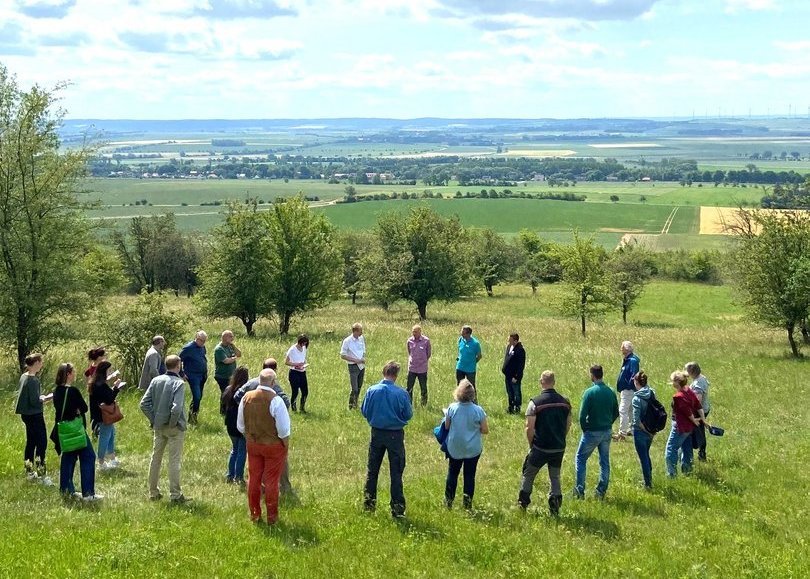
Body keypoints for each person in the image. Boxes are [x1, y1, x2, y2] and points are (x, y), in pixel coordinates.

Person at [237, 369, 291, 525]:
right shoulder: (276, 400)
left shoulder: (246, 398)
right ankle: (272, 517)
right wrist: (284, 444)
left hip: (253, 444)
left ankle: (255, 514)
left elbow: (240, 425)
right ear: (273, 382)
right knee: (272, 481)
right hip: (273, 445)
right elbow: (283, 429)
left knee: (253, 479)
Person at [361, 361, 413, 518]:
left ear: (384, 372)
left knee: (372, 470)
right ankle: (397, 509)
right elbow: (408, 415)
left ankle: (369, 505)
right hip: (395, 435)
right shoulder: (401, 393)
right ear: (396, 376)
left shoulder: (371, 391)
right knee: (396, 472)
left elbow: (364, 411)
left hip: (376, 433)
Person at [518, 371, 571, 515]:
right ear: (554, 382)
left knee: (528, 474)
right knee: (555, 476)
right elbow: (568, 424)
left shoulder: (535, 403)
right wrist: (560, 438)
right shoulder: (565, 403)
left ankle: (523, 503)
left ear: (541, 382)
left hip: (540, 447)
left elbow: (529, 428)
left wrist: (531, 444)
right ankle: (555, 507)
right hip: (558, 447)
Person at [140, 355, 190, 503]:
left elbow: (144, 404)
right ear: (178, 366)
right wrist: (173, 422)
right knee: (174, 460)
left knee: (155, 459)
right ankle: (175, 494)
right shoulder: (179, 383)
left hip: (159, 426)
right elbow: (177, 408)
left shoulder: (156, 380)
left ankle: (153, 492)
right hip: (174, 427)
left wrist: (154, 420)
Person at [51, 363, 102, 501]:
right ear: (68, 374)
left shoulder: (56, 391)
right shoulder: (73, 391)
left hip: (64, 431)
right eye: (73, 372)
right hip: (76, 429)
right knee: (89, 456)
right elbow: (84, 408)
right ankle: (88, 493)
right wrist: (76, 410)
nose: (75, 374)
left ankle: (66, 489)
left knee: (68, 458)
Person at [573, 365, 619, 500]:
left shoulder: (589, 392)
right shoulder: (610, 391)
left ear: (592, 375)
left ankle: (579, 491)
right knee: (604, 461)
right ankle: (601, 491)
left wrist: (585, 428)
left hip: (592, 431)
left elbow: (582, 416)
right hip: (606, 431)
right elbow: (616, 412)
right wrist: (608, 423)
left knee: (580, 459)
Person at [444, 379, 488, 510]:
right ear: (472, 394)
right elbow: (485, 430)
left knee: (452, 473)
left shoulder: (452, 408)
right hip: (472, 449)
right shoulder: (478, 410)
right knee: (470, 475)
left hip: (455, 448)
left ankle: (448, 502)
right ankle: (467, 504)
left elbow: (446, 426)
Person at [14, 353, 52, 483]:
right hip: (35, 415)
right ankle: (42, 474)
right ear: (35, 363)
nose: (41, 364)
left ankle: (29, 471)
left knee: (31, 442)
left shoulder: (24, 376)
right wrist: (46, 398)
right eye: (40, 362)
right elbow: (35, 401)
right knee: (42, 443)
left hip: (26, 415)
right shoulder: (33, 380)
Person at [664, 370, 705, 478]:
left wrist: (694, 419)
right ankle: (687, 470)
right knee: (687, 448)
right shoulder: (689, 390)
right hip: (689, 428)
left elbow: (687, 412)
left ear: (677, 382)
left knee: (671, 449)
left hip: (680, 426)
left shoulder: (678, 396)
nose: (672, 383)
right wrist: (702, 419)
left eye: (673, 381)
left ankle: (671, 474)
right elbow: (698, 405)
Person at [89, 361, 125, 470]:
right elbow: (109, 400)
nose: (110, 372)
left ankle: (111, 457)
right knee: (105, 437)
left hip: (99, 414)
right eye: (109, 370)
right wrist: (116, 388)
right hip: (103, 415)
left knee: (111, 433)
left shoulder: (95, 382)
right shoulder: (101, 385)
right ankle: (100, 461)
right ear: (104, 371)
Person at [221, 365, 250, 484]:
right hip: (240, 423)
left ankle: (230, 475)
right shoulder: (244, 391)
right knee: (242, 450)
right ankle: (238, 477)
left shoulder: (228, 389)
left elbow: (222, 408)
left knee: (234, 449)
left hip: (229, 424)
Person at [630, 370, 655, 488]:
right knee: (647, 454)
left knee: (643, 457)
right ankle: (649, 478)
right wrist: (650, 432)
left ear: (636, 382)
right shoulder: (652, 393)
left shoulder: (637, 398)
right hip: (651, 429)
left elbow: (636, 420)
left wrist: (645, 430)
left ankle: (648, 483)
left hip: (641, 431)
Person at [179, 330, 208, 425]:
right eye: (201, 340)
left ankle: (193, 416)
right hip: (193, 375)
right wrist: (182, 373)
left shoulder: (202, 347)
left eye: (204, 341)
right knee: (197, 396)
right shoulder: (188, 348)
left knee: (199, 397)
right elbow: (178, 360)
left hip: (202, 375)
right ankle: (192, 418)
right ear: (196, 338)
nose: (202, 343)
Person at [685, 362, 711, 461]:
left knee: (698, 432)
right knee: (699, 431)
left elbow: (697, 400)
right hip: (704, 408)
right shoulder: (701, 377)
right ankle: (700, 452)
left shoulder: (697, 384)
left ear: (691, 372)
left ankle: (701, 454)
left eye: (687, 370)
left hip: (699, 411)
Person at [615, 341, 640, 440]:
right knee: (630, 410)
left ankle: (622, 433)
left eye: (622, 348)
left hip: (628, 390)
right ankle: (631, 429)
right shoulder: (628, 359)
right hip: (627, 389)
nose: (621, 349)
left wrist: (628, 384)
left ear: (627, 349)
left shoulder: (632, 361)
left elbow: (634, 375)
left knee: (623, 410)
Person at [340, 323, 366, 410]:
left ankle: (356, 404)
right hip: (353, 366)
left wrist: (362, 359)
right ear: (355, 331)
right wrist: (356, 360)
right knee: (354, 388)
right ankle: (350, 406)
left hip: (361, 365)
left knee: (359, 386)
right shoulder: (347, 341)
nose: (361, 333)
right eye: (360, 331)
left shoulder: (361, 339)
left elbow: (363, 350)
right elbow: (343, 355)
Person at [405, 325, 431, 407]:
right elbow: (409, 352)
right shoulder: (409, 341)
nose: (414, 333)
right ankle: (409, 404)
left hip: (422, 369)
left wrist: (422, 361)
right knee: (409, 387)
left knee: (423, 387)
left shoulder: (426, 341)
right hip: (412, 368)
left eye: (415, 332)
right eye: (413, 331)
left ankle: (423, 404)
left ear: (420, 332)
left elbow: (428, 354)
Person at [501, 333, 526, 414]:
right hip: (508, 375)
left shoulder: (520, 350)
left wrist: (516, 377)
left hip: (514, 377)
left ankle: (517, 408)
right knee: (509, 392)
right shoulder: (509, 347)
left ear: (515, 341)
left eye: (510, 339)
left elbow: (521, 365)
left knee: (516, 392)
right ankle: (510, 407)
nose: (508, 340)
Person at [285, 334, 309, 412]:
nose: (303, 345)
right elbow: (287, 362)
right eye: (303, 343)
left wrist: (304, 364)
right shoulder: (292, 350)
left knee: (305, 391)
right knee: (295, 392)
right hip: (294, 373)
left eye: (305, 344)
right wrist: (296, 365)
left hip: (302, 372)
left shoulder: (304, 348)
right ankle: (293, 408)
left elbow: (303, 358)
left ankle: (302, 407)